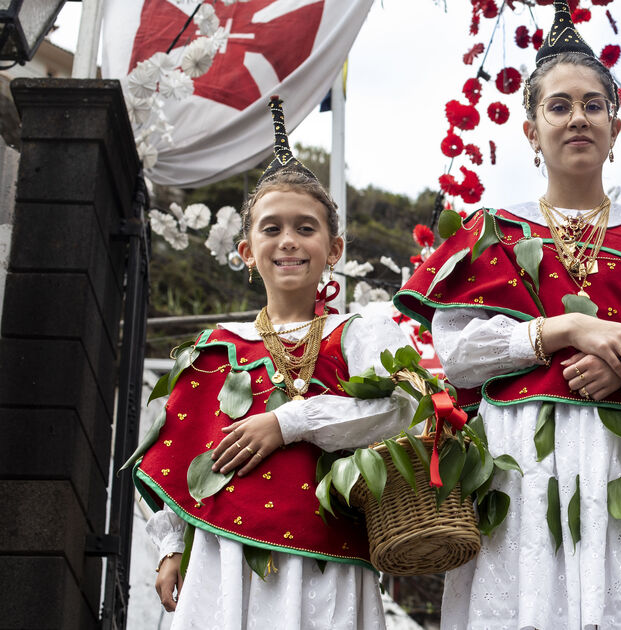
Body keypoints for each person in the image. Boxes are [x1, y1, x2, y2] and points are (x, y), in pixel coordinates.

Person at [393, 3, 621, 628]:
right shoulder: (493, 230)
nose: (578, 117)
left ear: (615, 123)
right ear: (530, 130)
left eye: (593, 104)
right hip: (521, 458)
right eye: (558, 105)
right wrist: (569, 329)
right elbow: (460, 356)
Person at [135, 97, 417, 630]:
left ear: (334, 249)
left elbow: (398, 409)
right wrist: (173, 545)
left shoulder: (359, 331)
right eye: (271, 229)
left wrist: (288, 422)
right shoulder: (217, 346)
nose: (288, 240)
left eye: (305, 228)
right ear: (246, 251)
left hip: (324, 554)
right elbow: (185, 451)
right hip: (224, 558)